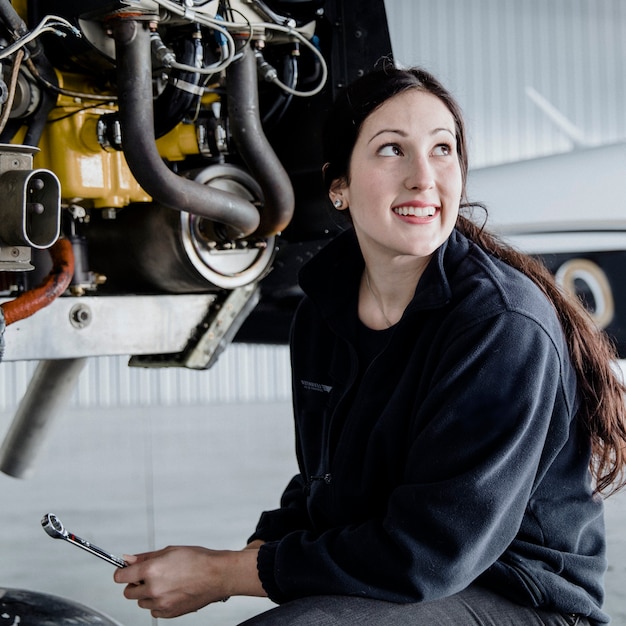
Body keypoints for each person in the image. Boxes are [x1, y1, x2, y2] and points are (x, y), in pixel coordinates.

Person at [113, 63, 626, 625]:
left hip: (524, 600)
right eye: (391, 150)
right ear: (339, 185)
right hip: (418, 588)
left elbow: (429, 553)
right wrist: (235, 563)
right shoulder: (321, 314)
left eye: (442, 150)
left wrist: (222, 573)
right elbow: (324, 489)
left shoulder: (501, 326)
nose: (423, 179)